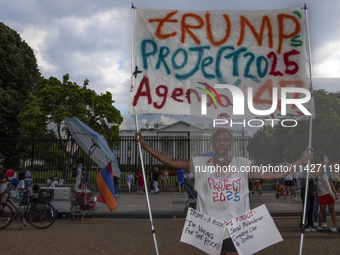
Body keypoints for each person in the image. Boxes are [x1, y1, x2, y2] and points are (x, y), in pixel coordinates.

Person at [135, 127, 313, 254]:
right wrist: (145, 146)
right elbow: (172, 160)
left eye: (225, 139)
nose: (221, 142)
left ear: (231, 143)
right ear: (212, 143)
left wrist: (301, 161)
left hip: (238, 229)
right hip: (209, 229)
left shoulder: (243, 164)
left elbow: (273, 175)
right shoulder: (201, 164)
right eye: (218, 139)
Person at [316, 158, 338, 232]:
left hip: (329, 194)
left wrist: (335, 193)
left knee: (332, 210)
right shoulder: (317, 175)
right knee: (322, 210)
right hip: (321, 194)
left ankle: (334, 226)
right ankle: (320, 225)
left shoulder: (325, 175)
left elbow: (331, 184)